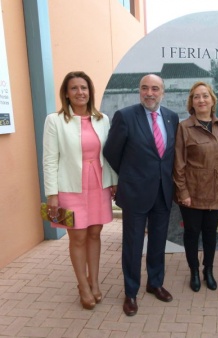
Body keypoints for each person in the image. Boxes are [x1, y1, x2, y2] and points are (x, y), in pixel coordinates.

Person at [103, 74, 179, 316]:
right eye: (145, 88)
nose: (149, 93)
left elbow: (169, 154)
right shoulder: (125, 116)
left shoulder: (171, 117)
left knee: (158, 242)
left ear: (162, 92)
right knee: (133, 245)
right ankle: (131, 292)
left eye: (155, 88)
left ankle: (155, 283)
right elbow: (112, 152)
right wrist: (129, 176)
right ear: (139, 91)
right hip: (135, 192)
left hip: (163, 192)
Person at [43, 71, 117, 310]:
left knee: (95, 234)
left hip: (98, 184)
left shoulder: (102, 118)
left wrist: (113, 181)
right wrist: (51, 194)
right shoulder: (54, 120)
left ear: (90, 91)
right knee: (78, 237)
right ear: (66, 93)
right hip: (69, 186)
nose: (80, 92)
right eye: (74, 88)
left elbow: (109, 154)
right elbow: (50, 159)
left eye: (84, 88)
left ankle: (94, 282)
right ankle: (82, 286)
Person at [173, 82, 218, 292]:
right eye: (196, 97)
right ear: (191, 102)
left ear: (212, 100)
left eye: (205, 96)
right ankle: (194, 271)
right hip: (193, 194)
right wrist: (183, 192)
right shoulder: (184, 127)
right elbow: (179, 164)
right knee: (192, 234)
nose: (201, 100)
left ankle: (209, 270)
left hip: (216, 191)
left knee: (211, 235)